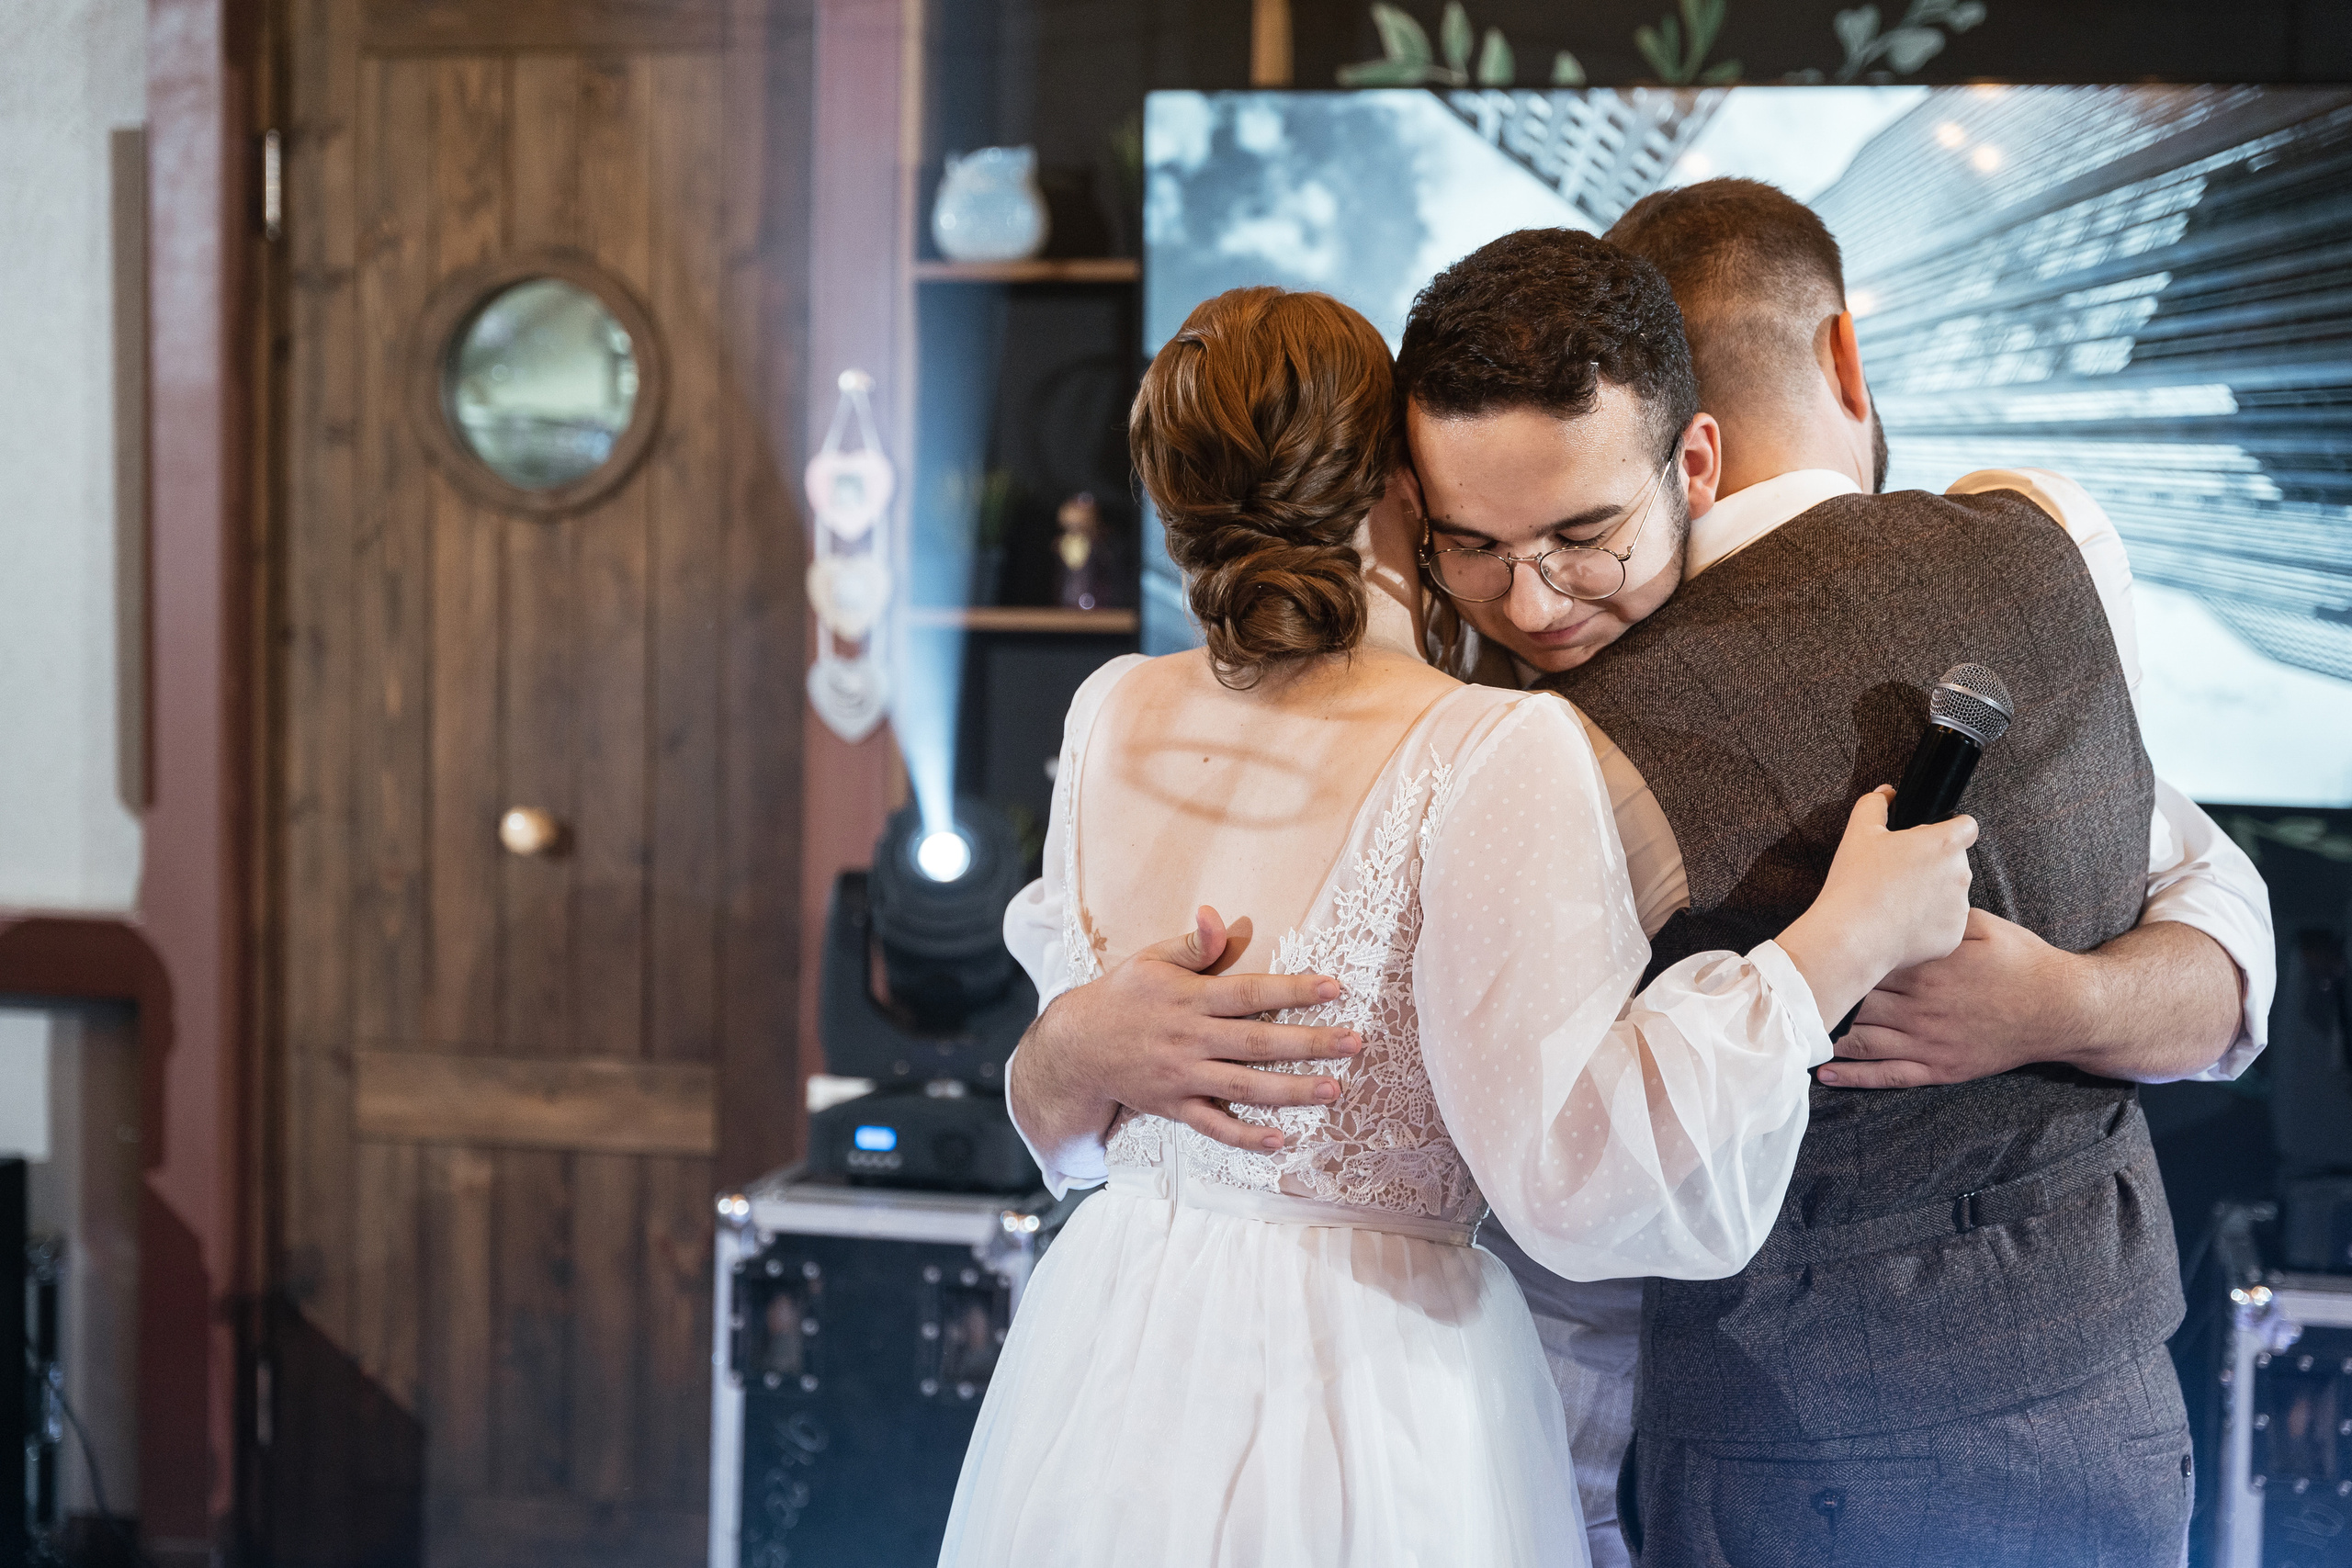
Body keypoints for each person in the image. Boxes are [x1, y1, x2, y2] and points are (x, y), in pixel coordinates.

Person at [1004, 217, 2274, 1567]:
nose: (1536, 599)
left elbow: (2212, 928)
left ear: (1697, 464)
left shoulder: (1930, 599)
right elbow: (1102, 1117)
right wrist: (1069, 1046)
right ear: (1397, 509)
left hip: (1931, 1420)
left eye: (1585, 533)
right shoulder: (1413, 719)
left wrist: (2054, 1002)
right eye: (1469, 543)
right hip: (1470, 1430)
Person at [937, 284, 1978, 1567]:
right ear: (1403, 482)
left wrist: (1057, 1057)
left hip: (1104, 1366)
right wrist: (1843, 945)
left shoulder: (1109, 713)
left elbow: (1079, 1139)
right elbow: (1579, 1183)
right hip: (1366, 1388)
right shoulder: (1485, 748)